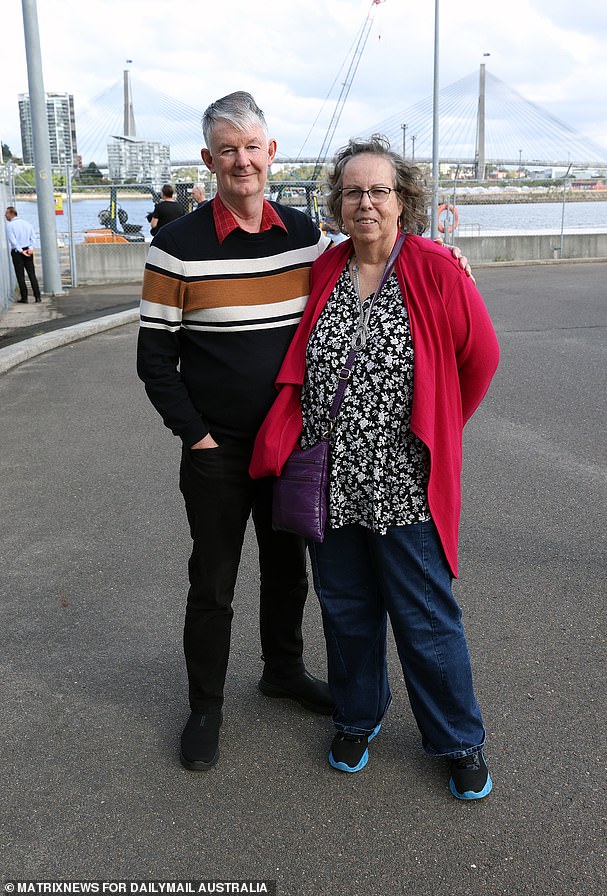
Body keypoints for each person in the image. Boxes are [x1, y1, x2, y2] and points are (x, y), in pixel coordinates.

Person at [250, 136, 500, 801]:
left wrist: (441, 427)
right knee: (348, 612)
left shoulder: (436, 268)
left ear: (403, 200)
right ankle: (357, 719)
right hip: (329, 485)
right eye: (353, 191)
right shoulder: (326, 268)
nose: (365, 202)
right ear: (338, 202)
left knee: (426, 622)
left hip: (404, 487)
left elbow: (481, 360)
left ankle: (459, 739)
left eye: (378, 190)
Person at [136, 91, 334, 772]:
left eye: (252, 146)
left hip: (289, 442)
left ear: (270, 152)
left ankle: (283, 670)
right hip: (216, 449)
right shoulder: (176, 246)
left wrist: (440, 262)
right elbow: (155, 358)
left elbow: (369, 277)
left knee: (288, 572)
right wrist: (195, 436)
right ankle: (206, 706)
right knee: (213, 582)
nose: (242, 160)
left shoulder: (305, 236)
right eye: (228, 149)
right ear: (209, 159)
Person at [5, 206, 42, 303]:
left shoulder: (10, 226)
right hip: (28, 250)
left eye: (6, 213)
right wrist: (30, 248)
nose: (5, 215)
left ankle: (24, 297)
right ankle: (37, 297)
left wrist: (21, 251)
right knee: (32, 274)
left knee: (20, 275)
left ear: (11, 214)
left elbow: (13, 241)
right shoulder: (27, 224)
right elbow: (33, 237)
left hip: (18, 252)